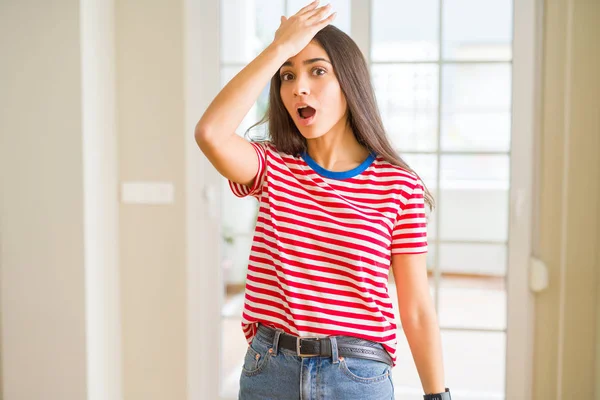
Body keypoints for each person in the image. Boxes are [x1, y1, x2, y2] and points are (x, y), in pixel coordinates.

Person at [195, 1, 451, 399]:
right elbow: (211, 133)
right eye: (287, 76)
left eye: (317, 70)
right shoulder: (272, 166)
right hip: (269, 371)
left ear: (350, 82)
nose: (298, 87)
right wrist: (277, 48)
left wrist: (438, 396)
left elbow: (416, 308)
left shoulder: (399, 185)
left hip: (357, 377)